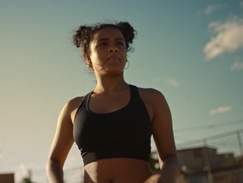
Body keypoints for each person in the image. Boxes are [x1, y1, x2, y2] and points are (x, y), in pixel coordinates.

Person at [46, 21, 180, 183]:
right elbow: (54, 161)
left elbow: (170, 158)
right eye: (103, 44)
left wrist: (165, 176)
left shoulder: (151, 99)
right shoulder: (73, 108)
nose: (113, 48)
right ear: (88, 58)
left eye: (119, 43)